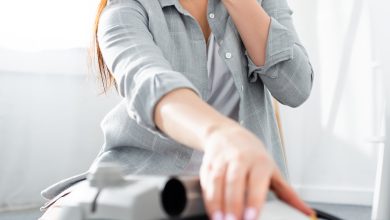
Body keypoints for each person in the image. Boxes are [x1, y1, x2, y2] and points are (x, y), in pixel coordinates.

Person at [39, 0, 315, 219]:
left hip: (241, 189)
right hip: (139, 178)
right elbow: (151, 85)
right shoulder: (124, 9)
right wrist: (222, 135)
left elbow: (296, 88)